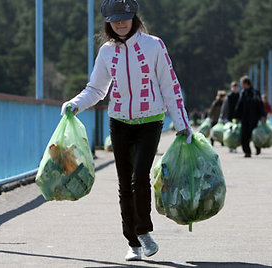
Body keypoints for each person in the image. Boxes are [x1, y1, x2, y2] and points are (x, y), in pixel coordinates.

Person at [60, 0, 192, 261]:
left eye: (125, 17)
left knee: (140, 177)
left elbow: (170, 87)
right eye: (114, 19)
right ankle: (132, 243)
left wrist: (182, 124)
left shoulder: (154, 45)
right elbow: (97, 89)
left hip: (150, 121)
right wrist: (75, 104)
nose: (120, 23)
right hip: (119, 122)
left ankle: (143, 232)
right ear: (108, 22)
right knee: (124, 184)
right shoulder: (107, 52)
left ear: (134, 17)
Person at [234, 76, 266, 157]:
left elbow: (260, 105)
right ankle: (247, 152)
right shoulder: (243, 93)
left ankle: (257, 147)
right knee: (244, 136)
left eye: (242, 84)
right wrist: (237, 117)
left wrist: (262, 116)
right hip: (244, 118)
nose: (241, 86)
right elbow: (239, 105)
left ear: (246, 84)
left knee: (255, 134)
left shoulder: (255, 92)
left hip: (254, 118)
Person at [220, 81, 240, 152]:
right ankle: (230, 146)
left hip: (237, 117)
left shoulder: (240, 96)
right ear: (232, 88)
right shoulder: (229, 96)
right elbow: (224, 107)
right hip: (229, 117)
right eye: (234, 87)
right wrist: (222, 116)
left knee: (236, 133)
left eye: (236, 87)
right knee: (230, 133)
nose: (235, 89)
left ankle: (234, 146)